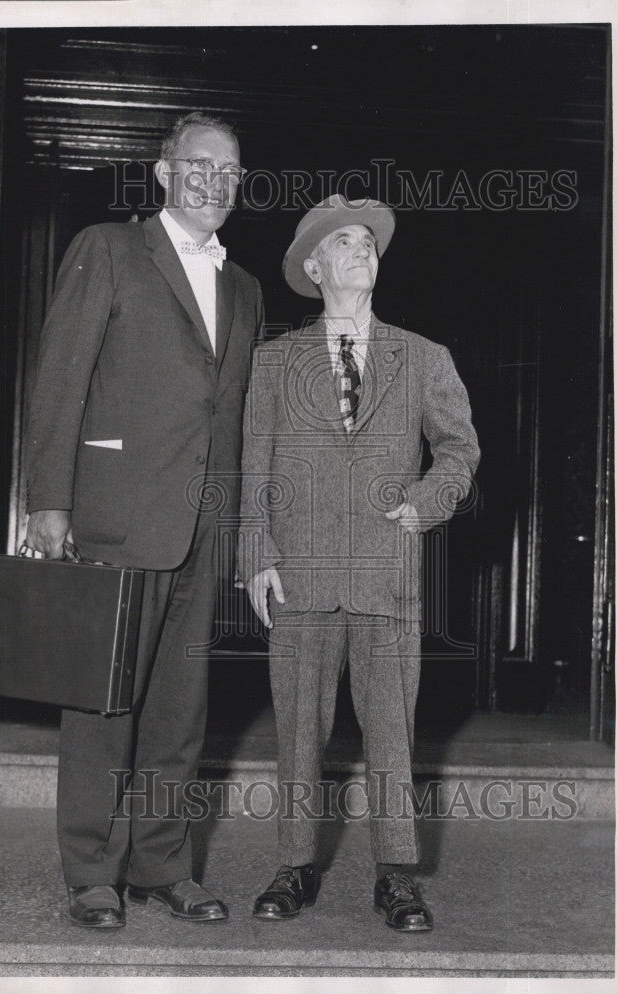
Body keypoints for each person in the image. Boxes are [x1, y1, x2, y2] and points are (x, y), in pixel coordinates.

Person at [25, 112, 264, 928]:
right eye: (199, 165)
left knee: (180, 709)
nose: (215, 182)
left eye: (230, 172)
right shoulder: (111, 248)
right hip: (116, 517)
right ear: (163, 174)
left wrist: (233, 530)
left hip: (200, 528)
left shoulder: (245, 288)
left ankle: (163, 864)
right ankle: (91, 871)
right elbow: (61, 375)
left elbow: (228, 418)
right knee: (102, 705)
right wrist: (48, 499)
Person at [238, 195, 479, 931]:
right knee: (297, 733)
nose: (362, 250)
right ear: (313, 267)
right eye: (343, 242)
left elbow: (461, 451)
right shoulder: (274, 362)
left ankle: (397, 876)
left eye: (369, 242)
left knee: (391, 735)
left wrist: (421, 504)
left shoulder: (424, 356)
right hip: (300, 574)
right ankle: (292, 865)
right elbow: (254, 470)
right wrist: (256, 554)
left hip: (385, 574)